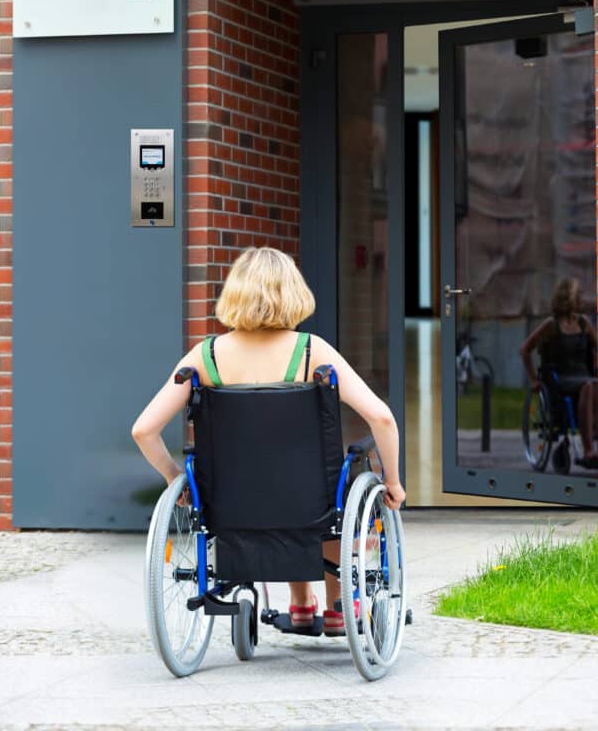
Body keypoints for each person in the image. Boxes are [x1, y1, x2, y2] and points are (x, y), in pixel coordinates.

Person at [132, 245, 405, 635]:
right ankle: (335, 606)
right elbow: (381, 417)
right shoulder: (312, 351)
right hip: (307, 503)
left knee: (290, 488)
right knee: (331, 498)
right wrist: (392, 483)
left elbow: (143, 430)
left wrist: (174, 476)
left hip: (230, 505)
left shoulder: (204, 356)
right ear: (292, 293)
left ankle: (298, 604)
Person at [519, 276, 598, 468]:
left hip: (585, 376)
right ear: (569, 297)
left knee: (597, 385)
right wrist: (533, 379)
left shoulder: (584, 323)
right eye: (579, 294)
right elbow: (525, 349)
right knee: (589, 386)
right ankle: (588, 450)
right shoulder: (551, 326)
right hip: (560, 380)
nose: (582, 298)